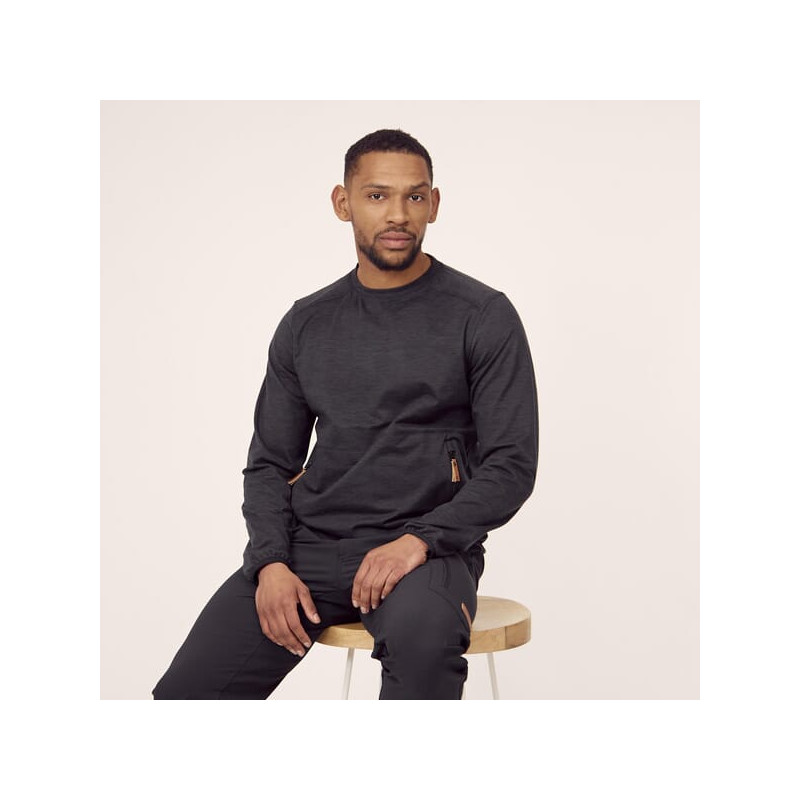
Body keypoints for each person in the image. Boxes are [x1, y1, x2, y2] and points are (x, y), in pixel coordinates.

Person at [152, 128, 539, 700]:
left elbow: (511, 467)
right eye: (377, 195)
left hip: (425, 552)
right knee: (187, 693)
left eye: (414, 196)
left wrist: (420, 540)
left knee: (423, 649)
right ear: (343, 202)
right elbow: (270, 465)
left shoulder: (482, 315)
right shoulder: (306, 323)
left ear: (433, 204)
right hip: (310, 549)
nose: (398, 214)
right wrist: (269, 563)